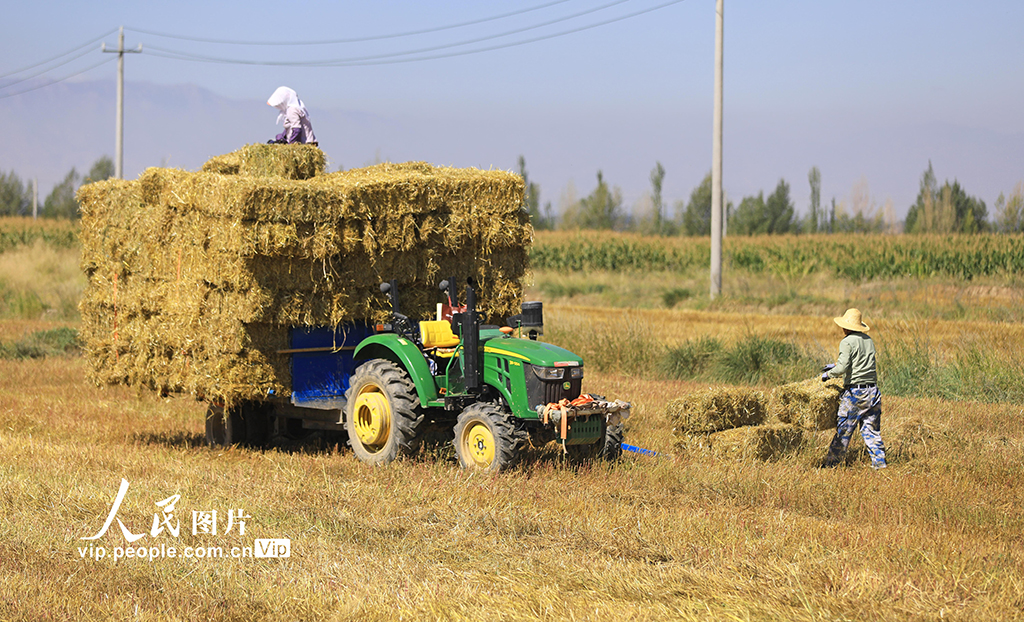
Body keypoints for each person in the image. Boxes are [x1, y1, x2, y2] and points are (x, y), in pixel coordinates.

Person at [820, 308, 887, 469]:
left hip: (855, 393)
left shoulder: (846, 342)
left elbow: (842, 368)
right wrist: (836, 365)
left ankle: (832, 465)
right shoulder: (868, 340)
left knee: (844, 430)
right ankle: (880, 464)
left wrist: (828, 374)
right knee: (871, 432)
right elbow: (859, 362)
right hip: (873, 392)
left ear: (847, 327)